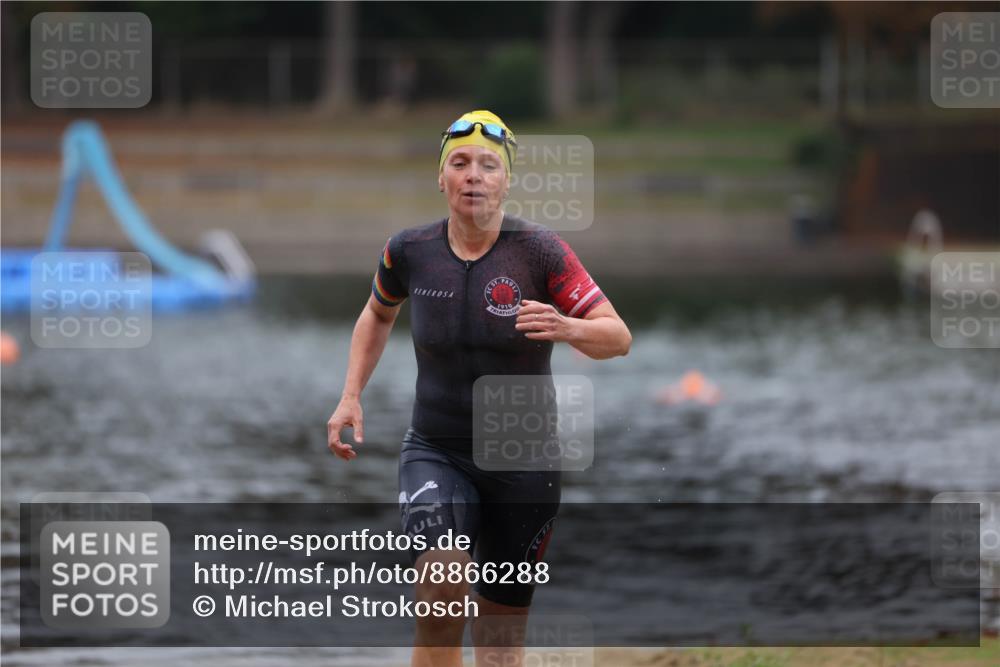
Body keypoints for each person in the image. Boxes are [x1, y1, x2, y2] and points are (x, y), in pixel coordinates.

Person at [327, 110, 631, 667]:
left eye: (488, 165)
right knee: (441, 592)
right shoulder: (408, 251)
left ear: (506, 180)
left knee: (499, 641)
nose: (474, 175)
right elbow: (376, 315)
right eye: (460, 163)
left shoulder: (540, 252)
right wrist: (350, 395)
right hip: (436, 450)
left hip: (524, 459)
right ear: (440, 178)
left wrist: (569, 328)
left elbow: (617, 337)